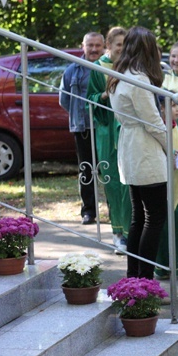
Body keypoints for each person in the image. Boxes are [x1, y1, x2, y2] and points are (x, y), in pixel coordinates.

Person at [107, 26, 168, 280]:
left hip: (131, 147)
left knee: (139, 217)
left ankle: (135, 276)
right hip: (144, 150)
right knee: (153, 219)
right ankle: (144, 278)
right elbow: (153, 122)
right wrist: (172, 148)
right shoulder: (138, 79)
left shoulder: (118, 75)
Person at [86, 27, 131, 252]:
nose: (122, 50)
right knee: (113, 181)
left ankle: (132, 230)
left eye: (125, 45)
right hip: (107, 130)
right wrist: (105, 94)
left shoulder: (130, 66)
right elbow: (90, 100)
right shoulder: (98, 68)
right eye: (119, 45)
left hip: (128, 129)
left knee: (130, 181)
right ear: (109, 46)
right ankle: (118, 232)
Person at [59, 31, 105, 225]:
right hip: (83, 127)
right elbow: (64, 99)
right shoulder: (72, 70)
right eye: (90, 45)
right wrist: (80, 115)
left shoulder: (108, 67)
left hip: (105, 126)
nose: (94, 49)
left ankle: (115, 211)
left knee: (109, 170)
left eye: (98, 45)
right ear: (83, 46)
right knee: (86, 170)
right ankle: (89, 211)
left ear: (104, 47)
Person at [155, 100, 178, 279]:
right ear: (161, 108)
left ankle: (173, 263)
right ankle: (161, 265)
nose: (177, 109)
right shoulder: (156, 129)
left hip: (177, 183)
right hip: (161, 182)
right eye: (173, 106)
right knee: (163, 223)